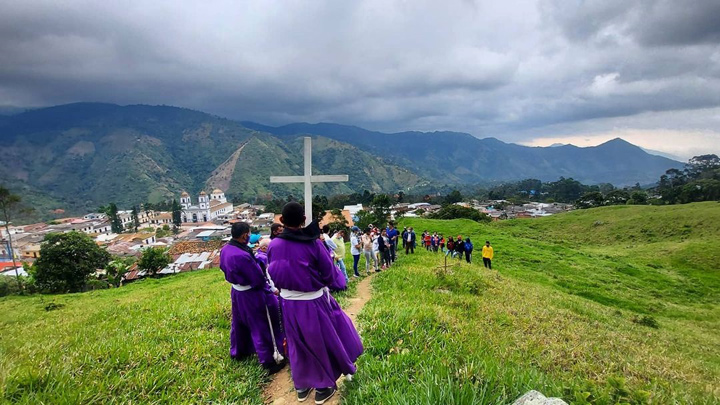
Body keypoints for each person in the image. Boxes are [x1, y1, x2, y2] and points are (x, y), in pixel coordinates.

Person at [267, 202, 363, 404]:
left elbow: (273, 273)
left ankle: (301, 387)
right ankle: (323, 386)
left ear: (282, 221)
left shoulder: (274, 245)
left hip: (286, 303)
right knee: (318, 340)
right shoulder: (313, 244)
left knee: (296, 343)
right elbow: (329, 274)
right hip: (313, 302)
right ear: (304, 220)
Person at [219, 222, 286, 374]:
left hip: (237, 292)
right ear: (244, 235)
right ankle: (268, 361)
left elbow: (222, 267)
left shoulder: (226, 249)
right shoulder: (242, 255)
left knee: (239, 322)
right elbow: (257, 278)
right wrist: (270, 290)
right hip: (251, 294)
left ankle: (239, 351)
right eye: (248, 233)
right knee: (261, 325)